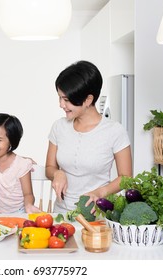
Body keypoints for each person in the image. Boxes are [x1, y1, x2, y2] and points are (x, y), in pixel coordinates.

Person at [45, 60, 132, 213]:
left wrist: (101, 192)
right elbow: (49, 168)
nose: (61, 104)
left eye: (66, 100)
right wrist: (57, 173)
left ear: (88, 100)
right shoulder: (59, 127)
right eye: (60, 98)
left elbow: (126, 178)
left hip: (96, 214)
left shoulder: (114, 131)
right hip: (61, 214)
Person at [0, 113, 41, 216]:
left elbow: (28, 194)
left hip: (19, 213)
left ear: (11, 142)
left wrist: (29, 205)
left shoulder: (22, 165)